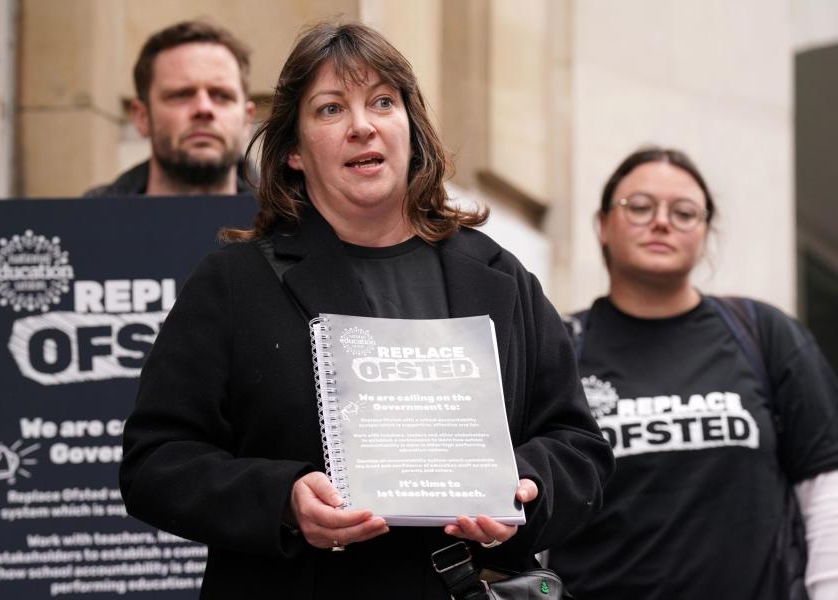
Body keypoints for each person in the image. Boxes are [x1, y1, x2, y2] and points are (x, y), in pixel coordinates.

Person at [118, 21, 614, 599]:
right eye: (330, 109)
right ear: (296, 153)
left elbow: (578, 447)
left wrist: (525, 487)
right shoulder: (235, 282)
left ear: (410, 127)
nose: (361, 126)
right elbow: (155, 462)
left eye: (382, 102)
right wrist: (283, 497)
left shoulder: (498, 278)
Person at [0, 18, 256, 516]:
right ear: (141, 116)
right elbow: (8, 406)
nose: (204, 108)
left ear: (247, 115)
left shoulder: (292, 238)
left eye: (221, 95)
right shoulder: (83, 239)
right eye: (181, 94)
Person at [547, 146, 838, 599]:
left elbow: (825, 489)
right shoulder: (559, 346)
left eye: (684, 212)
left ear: (704, 232)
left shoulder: (765, 334)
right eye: (640, 207)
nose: (662, 222)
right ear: (602, 225)